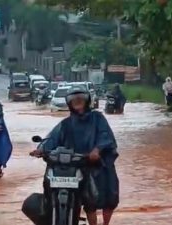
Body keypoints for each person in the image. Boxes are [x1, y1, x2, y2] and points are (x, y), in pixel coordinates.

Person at [27, 86, 119, 225]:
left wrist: (97, 149)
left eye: (80, 99)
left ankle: (106, 223)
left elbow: (105, 135)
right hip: (77, 164)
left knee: (109, 197)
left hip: (100, 163)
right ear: (69, 103)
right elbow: (52, 138)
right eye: (74, 100)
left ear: (87, 101)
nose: (78, 102)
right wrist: (41, 149)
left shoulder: (97, 118)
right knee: (89, 201)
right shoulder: (66, 124)